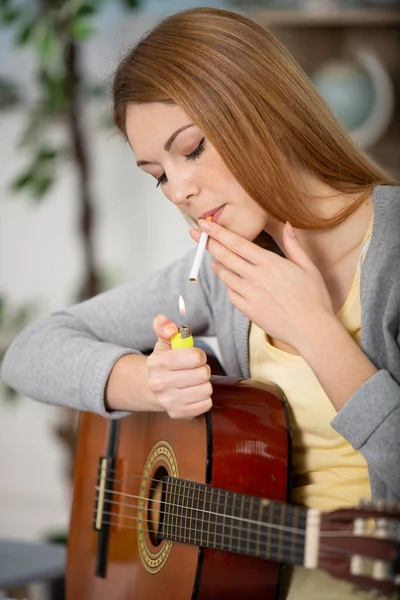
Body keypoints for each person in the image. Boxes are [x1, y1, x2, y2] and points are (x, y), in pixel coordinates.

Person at [2, 7, 399, 599]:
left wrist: (314, 331)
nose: (179, 190)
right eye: (156, 174)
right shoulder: (222, 272)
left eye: (191, 148)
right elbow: (29, 352)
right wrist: (147, 382)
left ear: (264, 109)